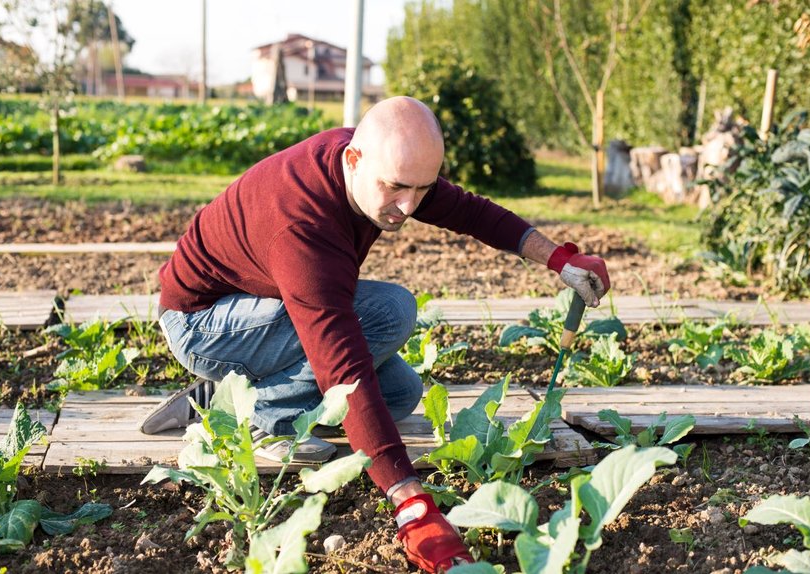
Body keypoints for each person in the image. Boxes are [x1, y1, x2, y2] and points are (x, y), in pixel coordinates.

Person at [140, 96, 610, 573]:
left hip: (257, 310)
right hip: (204, 322)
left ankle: (229, 393)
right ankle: (258, 413)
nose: (408, 207)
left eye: (422, 189)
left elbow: (471, 212)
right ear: (354, 160)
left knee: (402, 394)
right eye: (397, 188)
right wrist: (412, 505)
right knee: (390, 312)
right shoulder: (303, 228)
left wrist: (559, 259)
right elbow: (339, 363)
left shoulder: (378, 163)